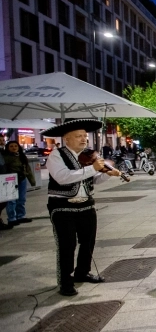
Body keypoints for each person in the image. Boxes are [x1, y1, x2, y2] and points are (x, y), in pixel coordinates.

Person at [41, 119, 122, 296]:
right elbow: (64, 177)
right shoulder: (57, 155)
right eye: (78, 136)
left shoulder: (87, 156)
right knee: (67, 245)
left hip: (86, 205)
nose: (84, 139)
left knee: (88, 241)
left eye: (85, 136)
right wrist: (93, 168)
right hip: (63, 207)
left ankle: (82, 272)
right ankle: (65, 281)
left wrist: (108, 174)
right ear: (67, 139)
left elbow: (92, 180)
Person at [3, 140, 36, 226]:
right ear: (7, 148)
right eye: (11, 146)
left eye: (15, 146)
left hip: (22, 179)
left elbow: (27, 169)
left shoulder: (22, 156)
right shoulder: (5, 158)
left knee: (21, 199)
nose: (14, 148)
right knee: (11, 200)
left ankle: (21, 216)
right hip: (10, 179)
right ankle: (12, 218)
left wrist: (32, 181)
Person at [0, 135, 11, 230]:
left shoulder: (4, 153)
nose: (1, 142)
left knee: (3, 201)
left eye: (2, 140)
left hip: (4, 179)